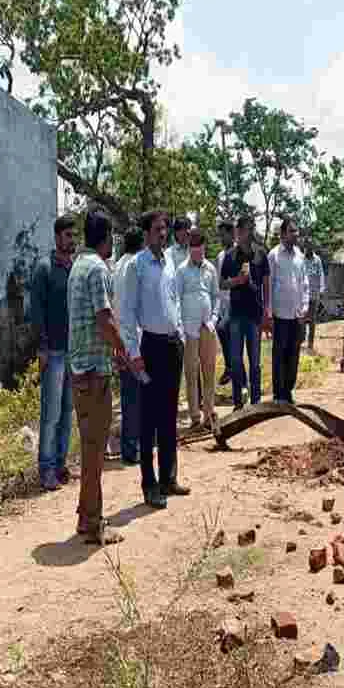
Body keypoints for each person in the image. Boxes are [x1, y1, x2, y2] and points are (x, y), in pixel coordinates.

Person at [65, 210, 129, 544]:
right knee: (94, 450)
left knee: (91, 446)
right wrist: (123, 350)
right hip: (94, 373)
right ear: (106, 237)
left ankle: (86, 516)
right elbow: (104, 319)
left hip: (81, 370)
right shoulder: (97, 270)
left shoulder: (77, 266)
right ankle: (92, 523)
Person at [122, 211, 188, 509]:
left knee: (169, 415)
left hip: (172, 344)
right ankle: (149, 485)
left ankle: (168, 478)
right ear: (146, 233)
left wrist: (181, 335)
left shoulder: (170, 261)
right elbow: (127, 314)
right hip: (149, 346)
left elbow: (174, 299)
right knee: (148, 420)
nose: (164, 234)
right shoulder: (137, 266)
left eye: (165, 229)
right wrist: (134, 354)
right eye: (158, 229)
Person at [30, 214, 77, 491]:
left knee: (67, 411)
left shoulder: (74, 269)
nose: (73, 240)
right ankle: (46, 468)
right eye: (69, 236)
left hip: (73, 353)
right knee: (50, 413)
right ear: (58, 237)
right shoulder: (44, 269)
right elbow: (36, 313)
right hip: (54, 353)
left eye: (74, 236)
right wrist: (43, 348)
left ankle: (60, 463)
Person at [220, 216, 269, 409]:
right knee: (235, 359)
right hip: (235, 315)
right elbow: (222, 283)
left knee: (255, 361)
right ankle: (238, 402)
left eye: (250, 229)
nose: (247, 234)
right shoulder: (230, 256)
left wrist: (267, 310)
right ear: (237, 232)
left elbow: (266, 282)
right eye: (243, 230)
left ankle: (256, 401)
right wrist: (237, 281)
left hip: (255, 315)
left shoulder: (260, 254)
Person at [177, 229, 220, 429]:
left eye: (200, 249)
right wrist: (180, 327)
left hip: (207, 327)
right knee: (191, 373)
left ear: (204, 248)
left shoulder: (210, 268)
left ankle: (209, 414)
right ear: (189, 249)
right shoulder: (181, 270)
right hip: (189, 329)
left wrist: (213, 320)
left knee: (209, 371)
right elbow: (176, 300)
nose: (197, 253)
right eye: (194, 249)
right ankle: (195, 416)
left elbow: (216, 297)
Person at [264, 218, 310, 404]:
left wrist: (305, 307)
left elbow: (304, 282)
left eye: (296, 231)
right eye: (292, 231)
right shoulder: (273, 255)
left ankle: (288, 391)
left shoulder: (300, 255)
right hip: (280, 314)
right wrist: (268, 313)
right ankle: (278, 394)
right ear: (282, 234)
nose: (296, 234)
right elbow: (267, 285)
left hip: (297, 314)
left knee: (294, 354)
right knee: (279, 354)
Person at [113, 228, 145, 467]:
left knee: (128, 397)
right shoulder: (135, 266)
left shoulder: (117, 267)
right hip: (135, 339)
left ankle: (129, 447)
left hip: (121, 338)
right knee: (138, 396)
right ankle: (134, 448)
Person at [214, 221, 235, 386]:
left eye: (223, 235)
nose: (221, 238)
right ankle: (232, 368)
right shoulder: (220, 256)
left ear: (232, 233)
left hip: (236, 302)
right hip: (222, 303)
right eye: (219, 235)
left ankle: (231, 367)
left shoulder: (239, 253)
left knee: (222, 329)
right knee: (222, 331)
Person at [303, 242, 325, 353]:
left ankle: (310, 344)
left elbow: (321, 274)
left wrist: (321, 289)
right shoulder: (301, 259)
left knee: (312, 320)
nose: (308, 251)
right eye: (307, 248)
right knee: (301, 318)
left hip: (314, 294)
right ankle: (300, 341)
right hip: (303, 295)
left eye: (311, 249)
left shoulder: (317, 260)